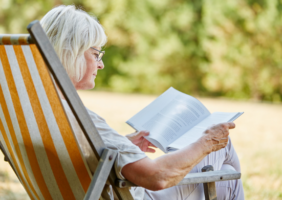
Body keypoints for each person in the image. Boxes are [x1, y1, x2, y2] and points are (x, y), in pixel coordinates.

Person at [40, 5, 244, 200]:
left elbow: (77, 159)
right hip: (131, 195)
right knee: (225, 165)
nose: (101, 64)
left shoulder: (37, 109)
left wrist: (114, 151)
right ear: (71, 53)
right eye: (95, 54)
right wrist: (207, 141)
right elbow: (157, 177)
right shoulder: (77, 117)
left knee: (225, 175)